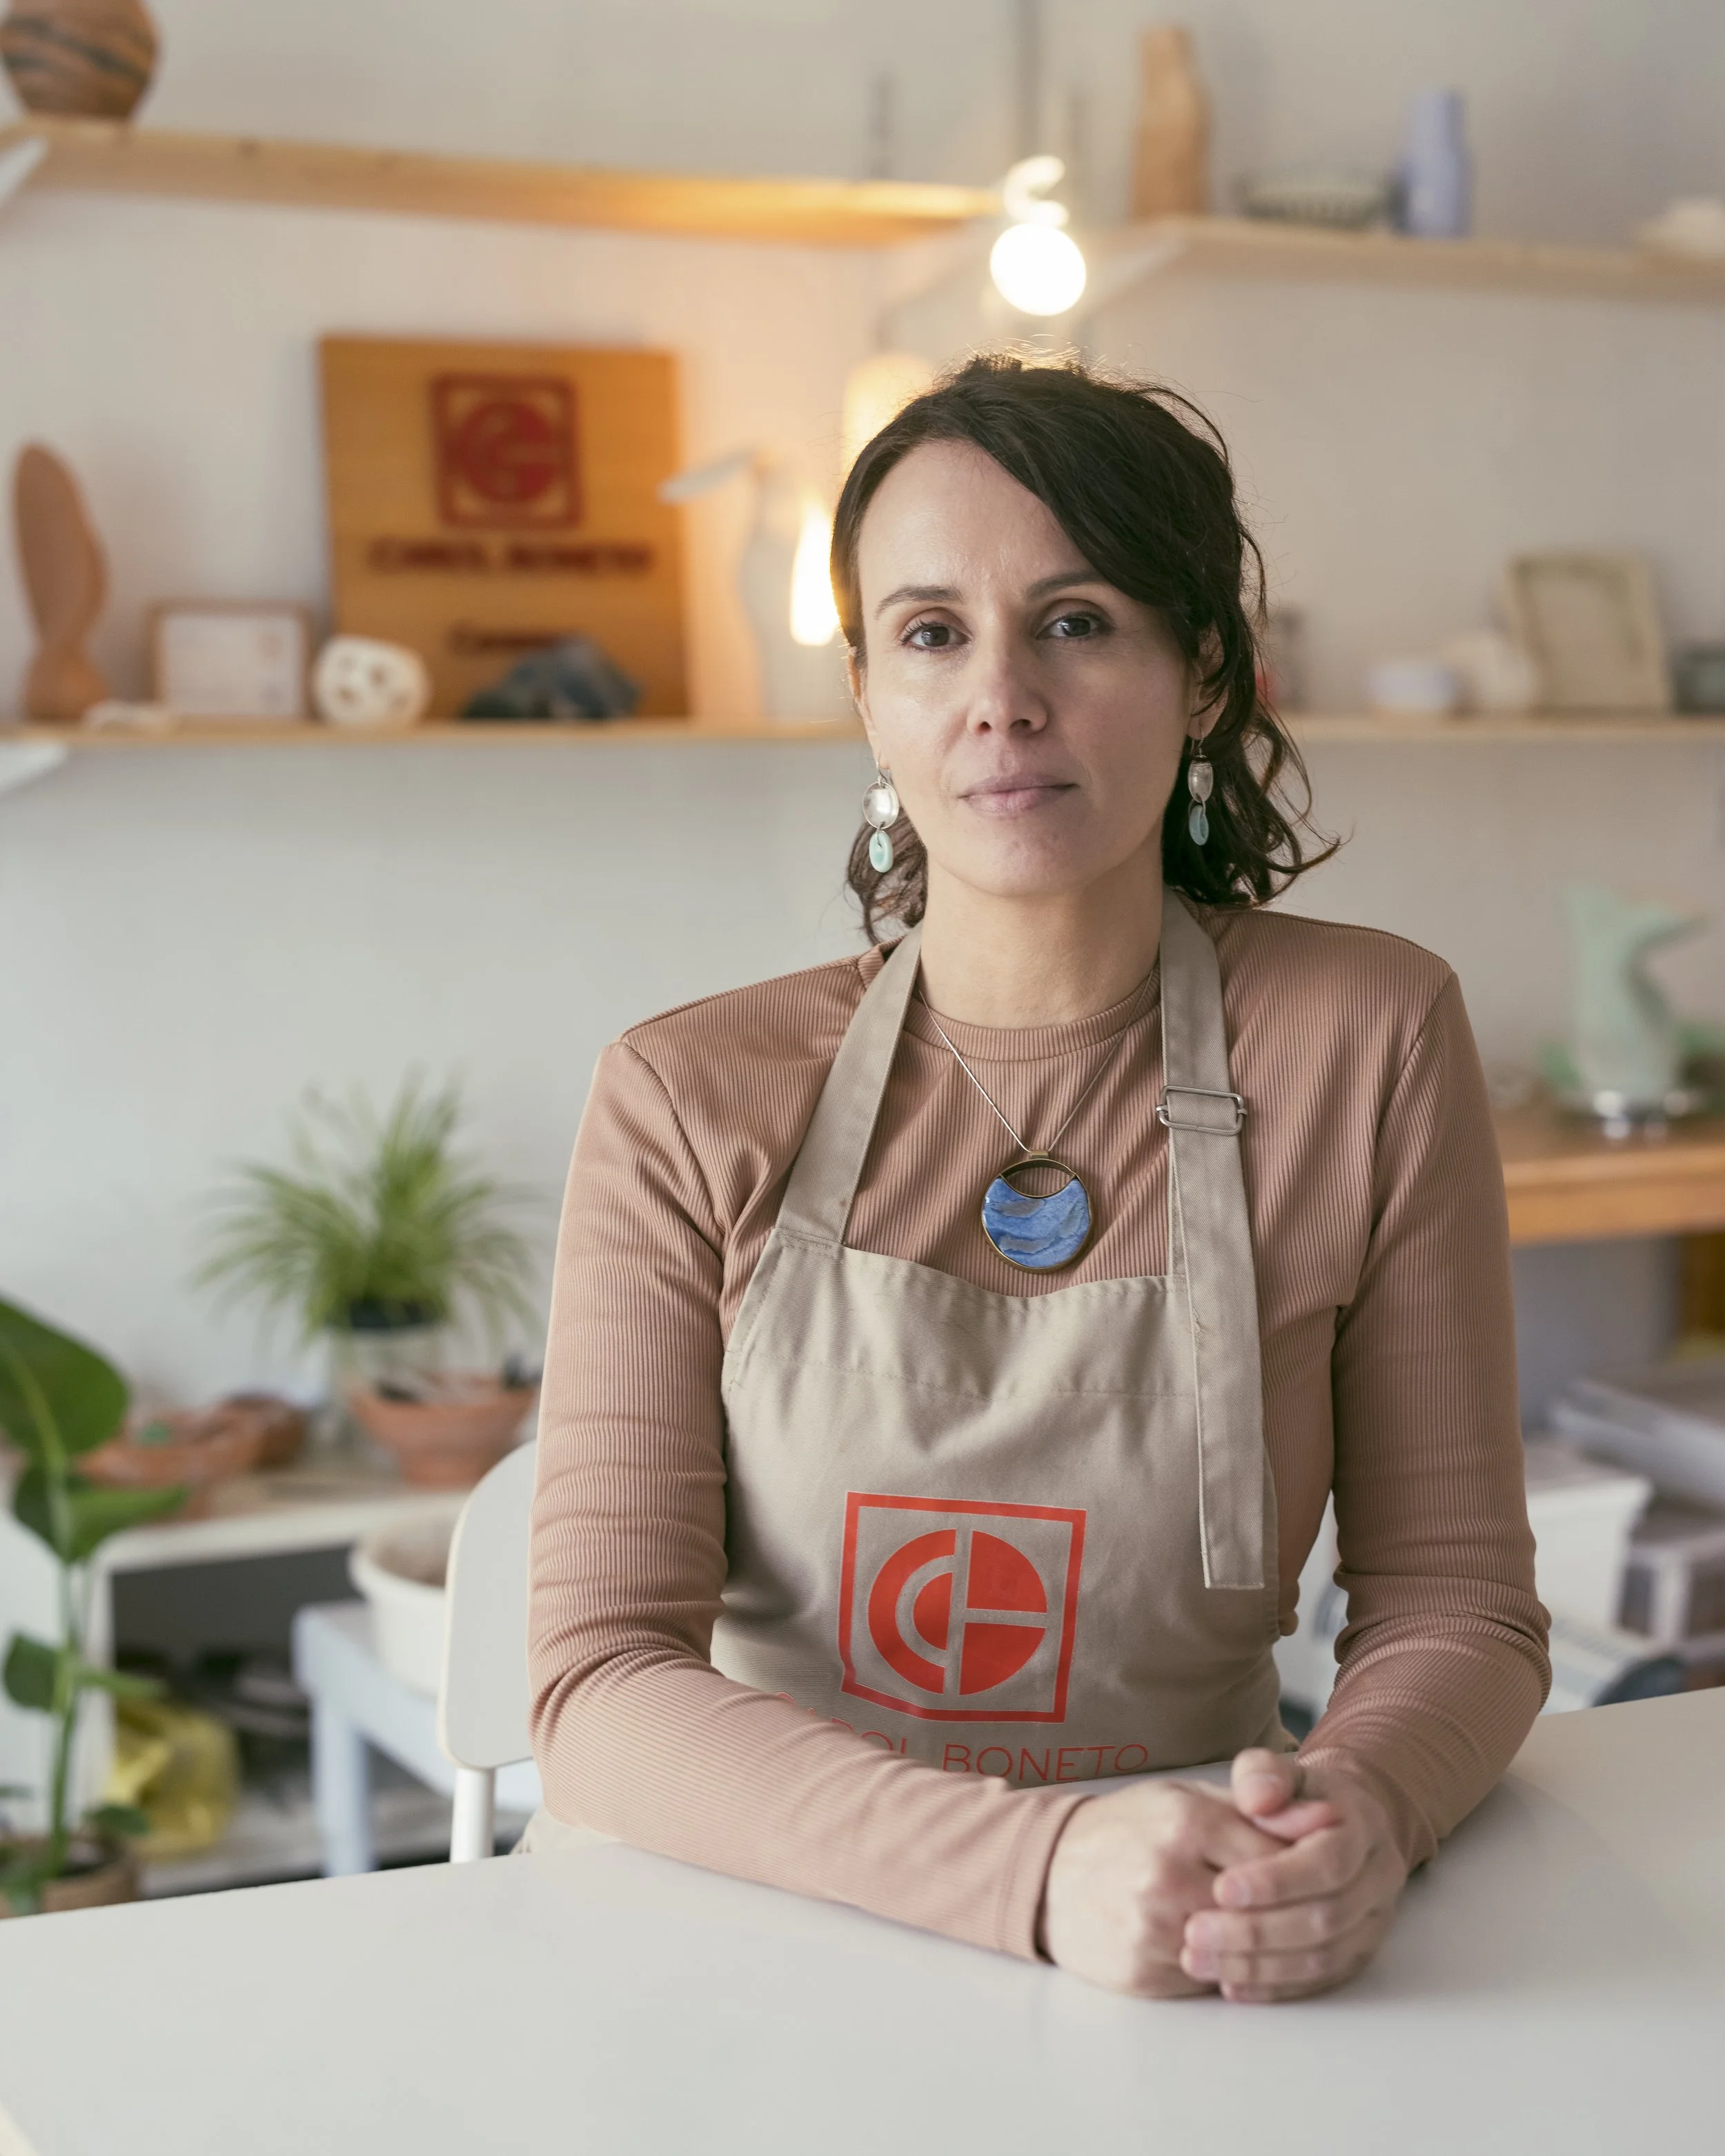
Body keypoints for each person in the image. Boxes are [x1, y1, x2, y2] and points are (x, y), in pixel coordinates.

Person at [525, 354, 1549, 2002]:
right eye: (931, 633)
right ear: (867, 690)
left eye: (1076, 621)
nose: (1001, 695)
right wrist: (1039, 1865)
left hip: (1191, 1923)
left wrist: (1353, 1812)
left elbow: (1455, 1606)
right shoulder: (684, 1091)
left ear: (1205, 671)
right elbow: (593, 1683)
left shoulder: (1370, 1036)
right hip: (745, 1930)